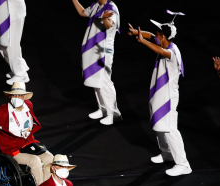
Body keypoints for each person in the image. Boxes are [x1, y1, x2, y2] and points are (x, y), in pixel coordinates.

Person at [128, 11, 191, 176]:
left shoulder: (172, 51)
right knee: (158, 125)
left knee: (170, 129)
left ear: (163, 37)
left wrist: (142, 41)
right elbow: (151, 36)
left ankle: (183, 164)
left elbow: (162, 52)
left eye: (157, 35)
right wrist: (137, 32)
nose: (155, 37)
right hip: (158, 93)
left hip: (168, 96)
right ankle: (167, 153)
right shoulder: (165, 43)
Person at [0, 82, 53, 185]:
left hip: (28, 143)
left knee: (49, 157)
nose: (16, 97)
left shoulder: (28, 105)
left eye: (19, 95)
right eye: (14, 95)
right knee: (35, 161)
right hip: (12, 149)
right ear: (9, 95)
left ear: (25, 97)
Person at [71, 0, 122, 125]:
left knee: (105, 82)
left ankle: (113, 113)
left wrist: (104, 18)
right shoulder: (96, 5)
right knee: (96, 81)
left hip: (103, 52)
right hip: (92, 49)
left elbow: (109, 25)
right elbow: (83, 12)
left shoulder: (111, 7)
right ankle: (102, 109)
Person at [0, 0, 29, 85]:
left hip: (12, 12)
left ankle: (20, 74)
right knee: (1, 43)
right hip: (1, 9)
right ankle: (18, 68)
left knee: (11, 44)